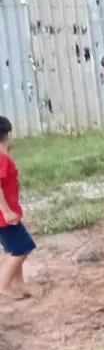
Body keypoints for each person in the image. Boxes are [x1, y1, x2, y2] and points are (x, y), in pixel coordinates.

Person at [0, 116, 34, 300]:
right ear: (8, 134)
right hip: (3, 216)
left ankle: (18, 283)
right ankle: (4, 285)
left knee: (17, 247)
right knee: (24, 247)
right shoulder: (2, 159)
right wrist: (6, 211)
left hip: (5, 214)